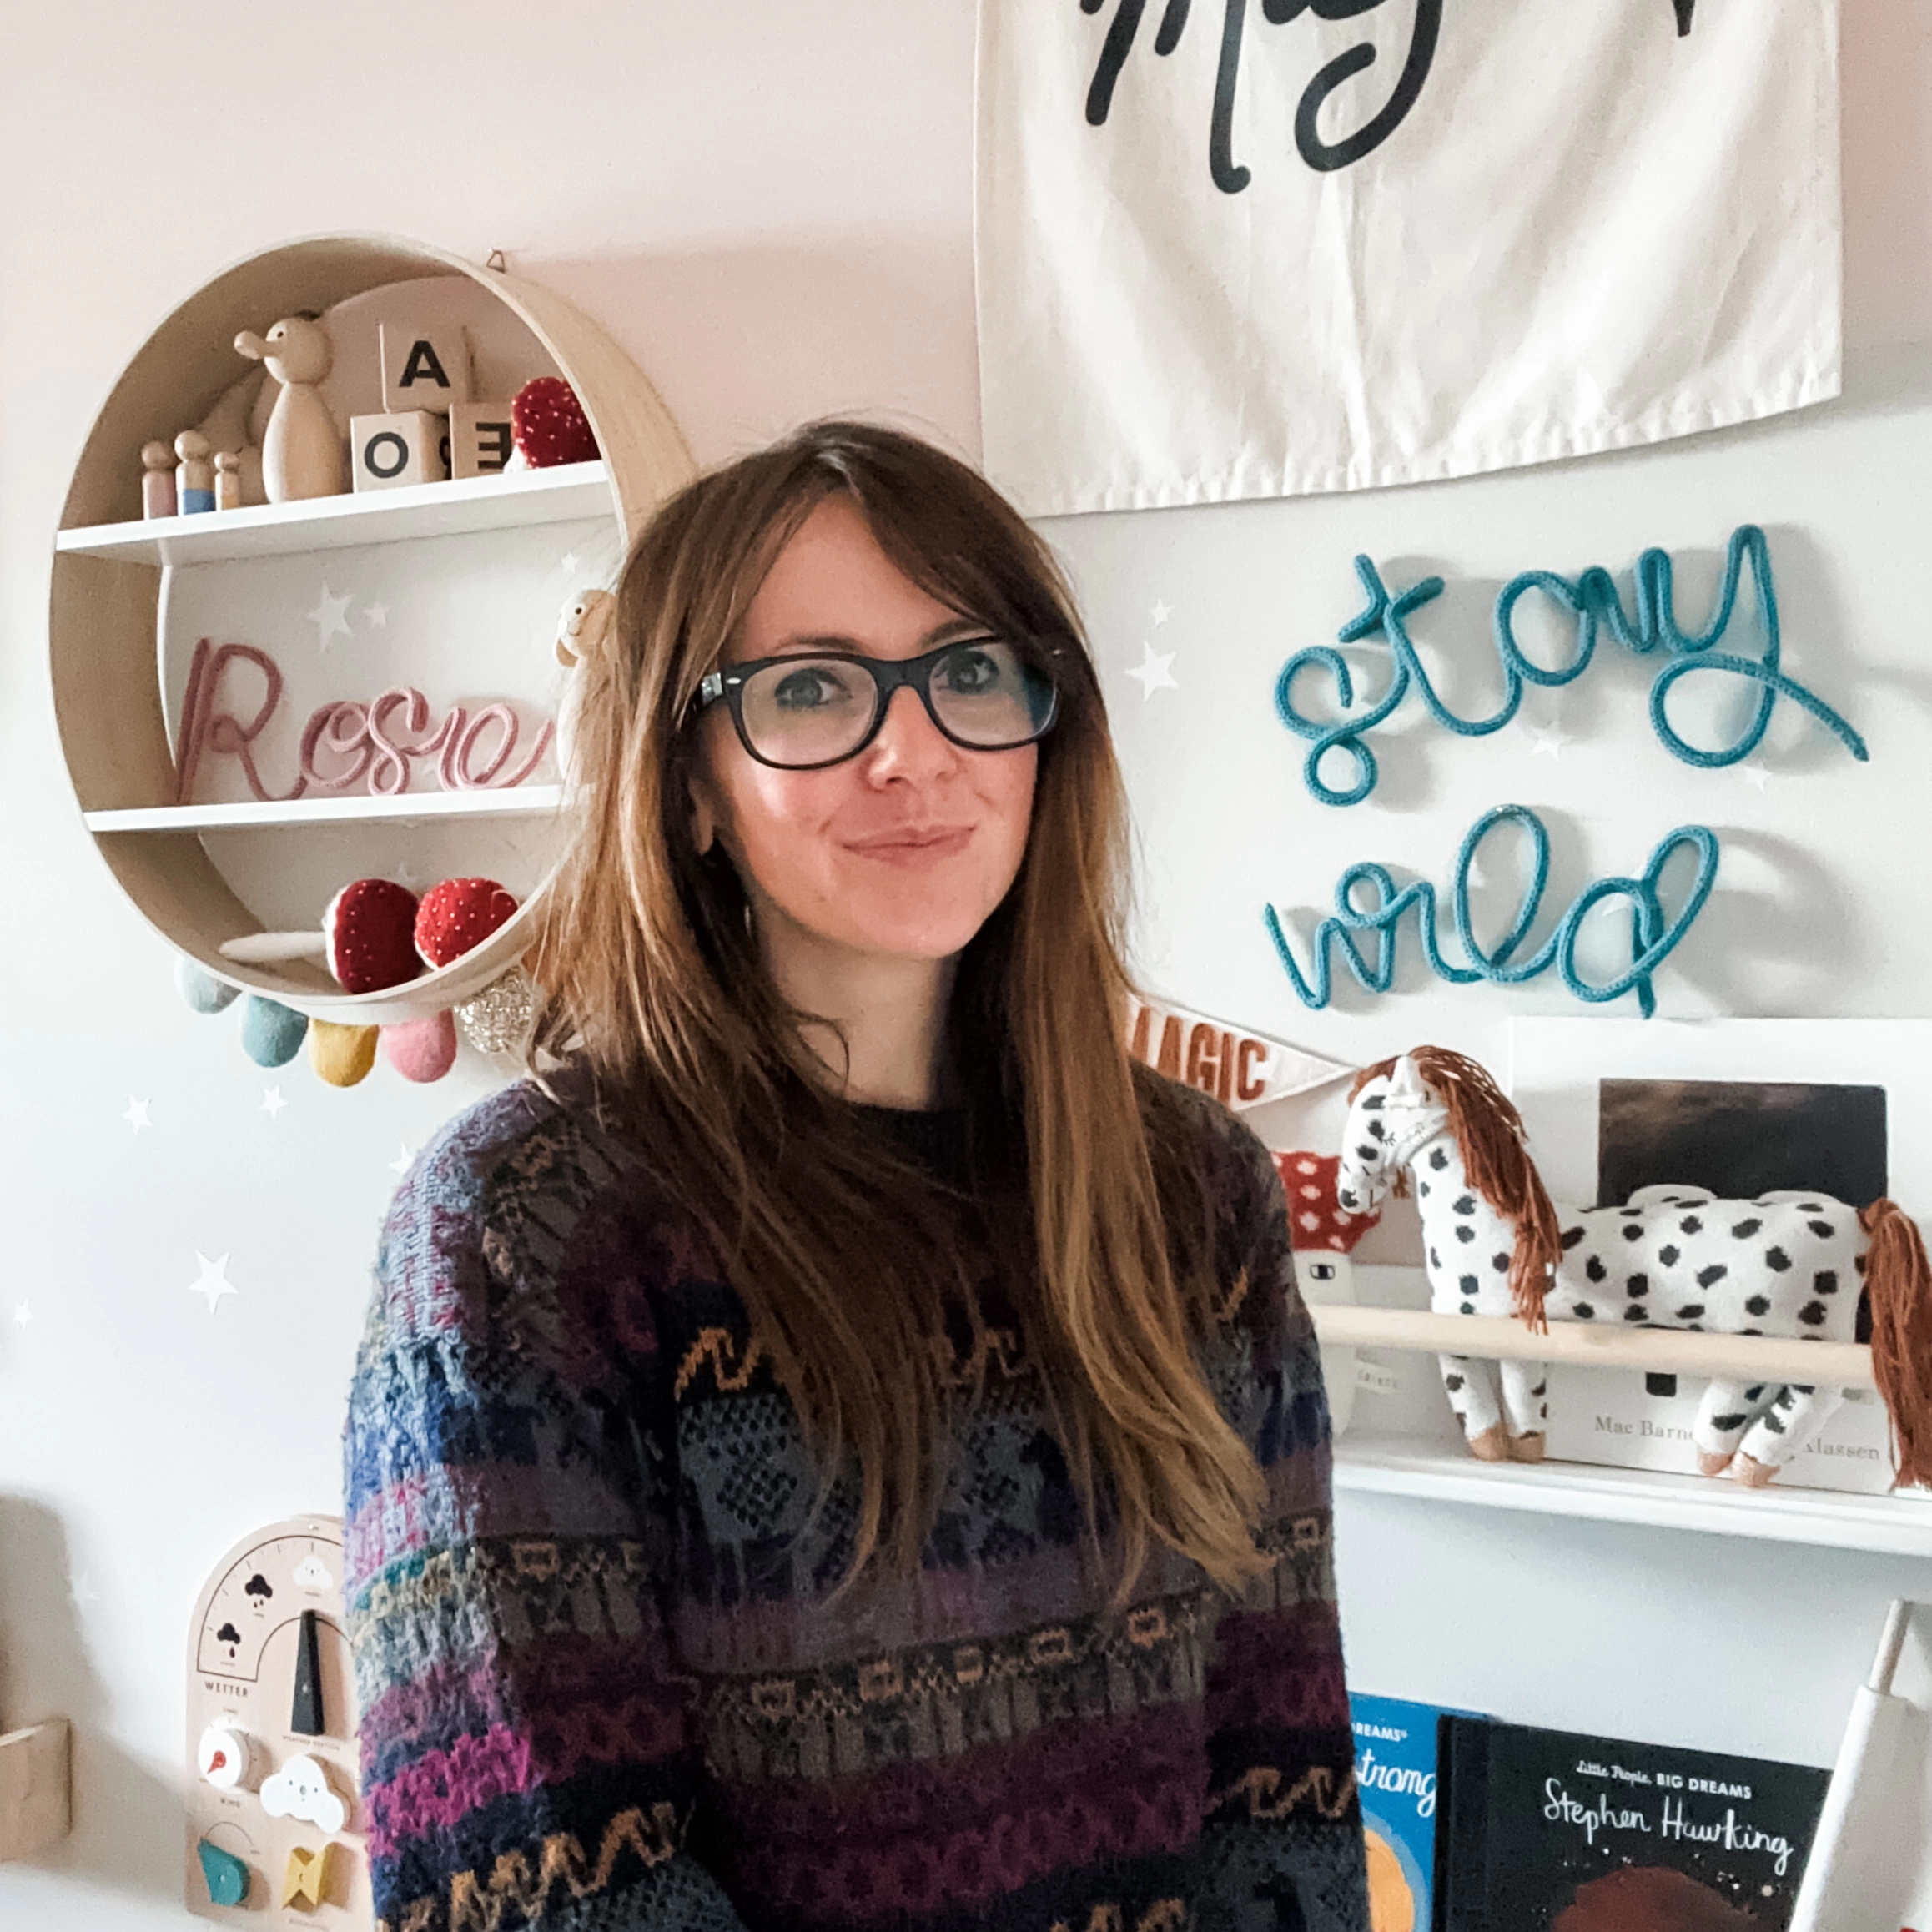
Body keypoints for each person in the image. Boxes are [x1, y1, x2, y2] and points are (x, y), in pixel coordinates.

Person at [342, 422, 1367, 1932]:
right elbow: (545, 1886)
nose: (917, 750)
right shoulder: (529, 1229)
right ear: (688, 785)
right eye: (810, 688)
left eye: (968, 670)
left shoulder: (1194, 1190)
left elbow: (1280, 1787)